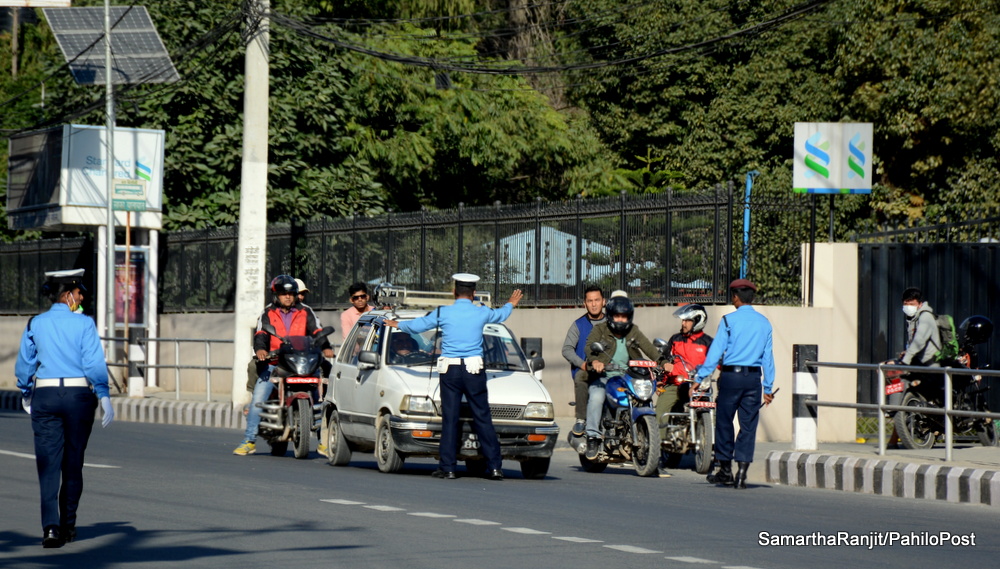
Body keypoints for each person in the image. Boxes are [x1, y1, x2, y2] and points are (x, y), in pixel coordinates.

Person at [385, 274, 523, 480]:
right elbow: (501, 315)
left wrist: (396, 325)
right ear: (474, 294)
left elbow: (419, 325)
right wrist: (511, 304)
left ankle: (448, 467)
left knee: (450, 419)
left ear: (454, 292)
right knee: (482, 417)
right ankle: (494, 467)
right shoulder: (481, 312)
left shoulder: (443, 312)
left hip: (450, 371)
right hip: (474, 370)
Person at [15, 269, 115, 548]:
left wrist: (25, 391)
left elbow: (25, 364)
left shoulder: (36, 323)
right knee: (73, 463)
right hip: (77, 396)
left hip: (45, 396)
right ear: (68, 294)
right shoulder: (84, 324)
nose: (81, 297)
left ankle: (50, 528)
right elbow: (93, 362)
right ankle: (67, 525)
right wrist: (104, 393)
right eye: (79, 293)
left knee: (47, 465)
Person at [691, 279, 775, 489]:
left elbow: (715, 353)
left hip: (730, 378)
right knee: (748, 426)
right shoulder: (764, 323)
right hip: (753, 380)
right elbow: (768, 358)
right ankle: (742, 474)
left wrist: (700, 378)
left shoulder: (728, 321)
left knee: (724, 422)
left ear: (735, 297)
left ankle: (725, 469)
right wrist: (768, 388)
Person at [233, 275, 331, 456]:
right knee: (258, 400)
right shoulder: (268, 313)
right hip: (275, 363)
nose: (287, 297)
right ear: (276, 295)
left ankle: (323, 441)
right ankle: (249, 440)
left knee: (321, 399)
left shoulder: (306, 311)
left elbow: (317, 330)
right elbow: (261, 333)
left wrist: (325, 347)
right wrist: (261, 349)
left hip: (300, 361)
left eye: (291, 293)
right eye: (283, 293)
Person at [581, 296, 670, 461]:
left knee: (643, 398)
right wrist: (595, 361)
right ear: (610, 316)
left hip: (628, 376)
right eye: (618, 316)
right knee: (597, 397)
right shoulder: (600, 329)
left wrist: (662, 362)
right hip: (604, 376)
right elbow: (589, 346)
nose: (621, 320)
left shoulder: (633, 331)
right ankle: (592, 437)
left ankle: (647, 442)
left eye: (624, 316)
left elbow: (648, 347)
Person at [655, 304, 713, 475]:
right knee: (660, 410)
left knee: (719, 413)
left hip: (699, 386)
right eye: (683, 320)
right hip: (676, 383)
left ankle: (716, 452)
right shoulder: (675, 339)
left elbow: (718, 362)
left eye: (687, 320)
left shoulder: (708, 343)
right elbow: (665, 360)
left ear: (698, 321)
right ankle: (656, 453)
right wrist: (660, 382)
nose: (684, 324)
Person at [561, 285, 606, 437]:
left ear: (603, 302)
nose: (594, 304)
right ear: (585, 304)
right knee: (585, 381)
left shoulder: (613, 324)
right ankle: (582, 420)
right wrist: (583, 365)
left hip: (611, 372)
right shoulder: (578, 325)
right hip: (588, 373)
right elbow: (567, 349)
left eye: (597, 300)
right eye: (590, 301)